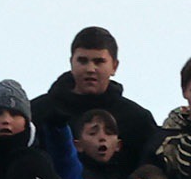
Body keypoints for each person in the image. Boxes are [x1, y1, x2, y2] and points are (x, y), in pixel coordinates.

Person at [29, 28, 160, 168]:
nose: (90, 69)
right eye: (82, 61)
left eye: (99, 62)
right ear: (71, 62)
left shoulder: (137, 120)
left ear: (114, 66)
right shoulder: (38, 112)